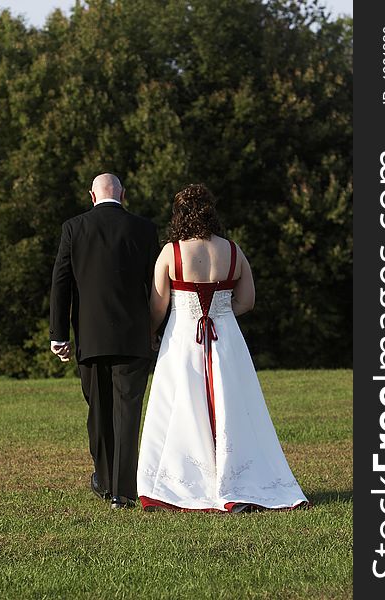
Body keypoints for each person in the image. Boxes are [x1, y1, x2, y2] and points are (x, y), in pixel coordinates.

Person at [137, 183, 308, 512]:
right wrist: (221, 313)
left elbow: (157, 308)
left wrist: (150, 333)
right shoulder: (233, 251)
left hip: (184, 341)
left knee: (183, 407)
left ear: (180, 216)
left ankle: (185, 484)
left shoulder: (172, 253)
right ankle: (239, 483)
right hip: (226, 339)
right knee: (234, 408)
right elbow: (248, 300)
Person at [49, 173, 159, 509]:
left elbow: (61, 284)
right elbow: (156, 287)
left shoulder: (74, 228)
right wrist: (159, 330)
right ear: (123, 195)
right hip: (133, 336)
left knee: (98, 410)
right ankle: (123, 492)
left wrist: (58, 335)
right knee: (127, 412)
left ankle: (104, 479)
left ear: (92, 196)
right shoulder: (144, 228)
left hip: (91, 338)